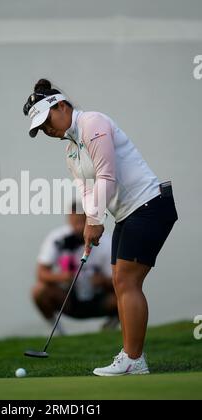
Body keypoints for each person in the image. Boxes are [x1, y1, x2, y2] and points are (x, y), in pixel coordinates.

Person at [23, 79, 178, 376]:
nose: (46, 130)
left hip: (148, 206)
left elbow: (106, 176)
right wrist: (89, 227)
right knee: (122, 282)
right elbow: (86, 192)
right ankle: (133, 357)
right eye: (40, 128)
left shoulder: (93, 122)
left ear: (62, 106)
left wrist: (96, 221)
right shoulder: (70, 152)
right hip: (127, 214)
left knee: (126, 283)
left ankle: (133, 358)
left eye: (47, 121)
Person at [33, 201, 118, 334]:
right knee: (39, 291)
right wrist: (62, 277)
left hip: (99, 298)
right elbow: (41, 273)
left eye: (81, 221)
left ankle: (110, 326)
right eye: (74, 221)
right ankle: (58, 332)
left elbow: (119, 280)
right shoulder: (57, 238)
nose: (77, 226)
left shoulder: (107, 242)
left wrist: (102, 281)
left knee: (125, 294)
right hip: (70, 298)